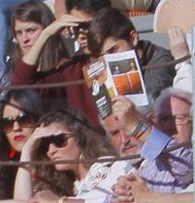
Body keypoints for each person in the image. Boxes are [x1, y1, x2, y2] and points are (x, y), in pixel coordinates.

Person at [13, 7, 174, 129]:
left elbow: (149, 108)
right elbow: (21, 87)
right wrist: (46, 34)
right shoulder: (78, 66)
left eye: (87, 25)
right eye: (76, 28)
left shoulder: (157, 57)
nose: (83, 34)